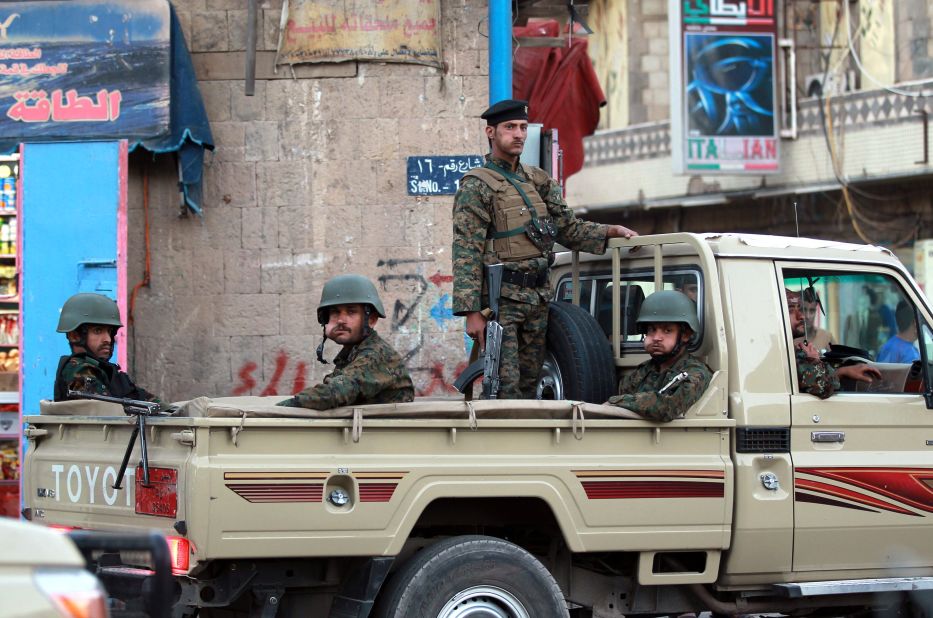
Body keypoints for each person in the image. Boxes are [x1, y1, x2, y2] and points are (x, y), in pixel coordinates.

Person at [452, 99, 638, 399]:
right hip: (503, 304)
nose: (518, 135)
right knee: (504, 388)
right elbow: (466, 251)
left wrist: (608, 232)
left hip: (538, 300)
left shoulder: (539, 180)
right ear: (491, 132)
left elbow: (568, 228)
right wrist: (471, 311)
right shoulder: (477, 185)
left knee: (531, 386)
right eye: (510, 127)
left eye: (523, 128)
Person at [277, 274, 414, 409]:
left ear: (371, 320)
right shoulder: (352, 352)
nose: (341, 320)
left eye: (351, 312)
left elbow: (335, 392)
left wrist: (284, 407)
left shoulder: (376, 354)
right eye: (335, 312)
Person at [605, 290, 712, 422]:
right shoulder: (643, 371)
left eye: (667, 331)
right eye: (651, 330)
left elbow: (667, 407)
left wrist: (616, 401)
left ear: (685, 335)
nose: (656, 338)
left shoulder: (696, 372)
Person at [54, 293, 159, 402]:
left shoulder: (107, 373)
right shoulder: (79, 370)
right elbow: (104, 411)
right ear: (74, 336)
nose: (107, 339)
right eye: (98, 331)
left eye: (109, 332)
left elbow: (145, 400)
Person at [787, 289, 881, 398]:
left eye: (801, 309)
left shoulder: (826, 336)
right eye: (790, 311)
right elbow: (821, 387)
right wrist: (813, 360)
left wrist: (842, 371)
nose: (804, 316)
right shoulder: (785, 351)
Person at [797, 287, 834, 352]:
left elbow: (838, 360)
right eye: (803, 310)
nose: (808, 316)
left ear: (816, 311)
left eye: (812, 310)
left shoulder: (826, 337)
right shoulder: (789, 338)